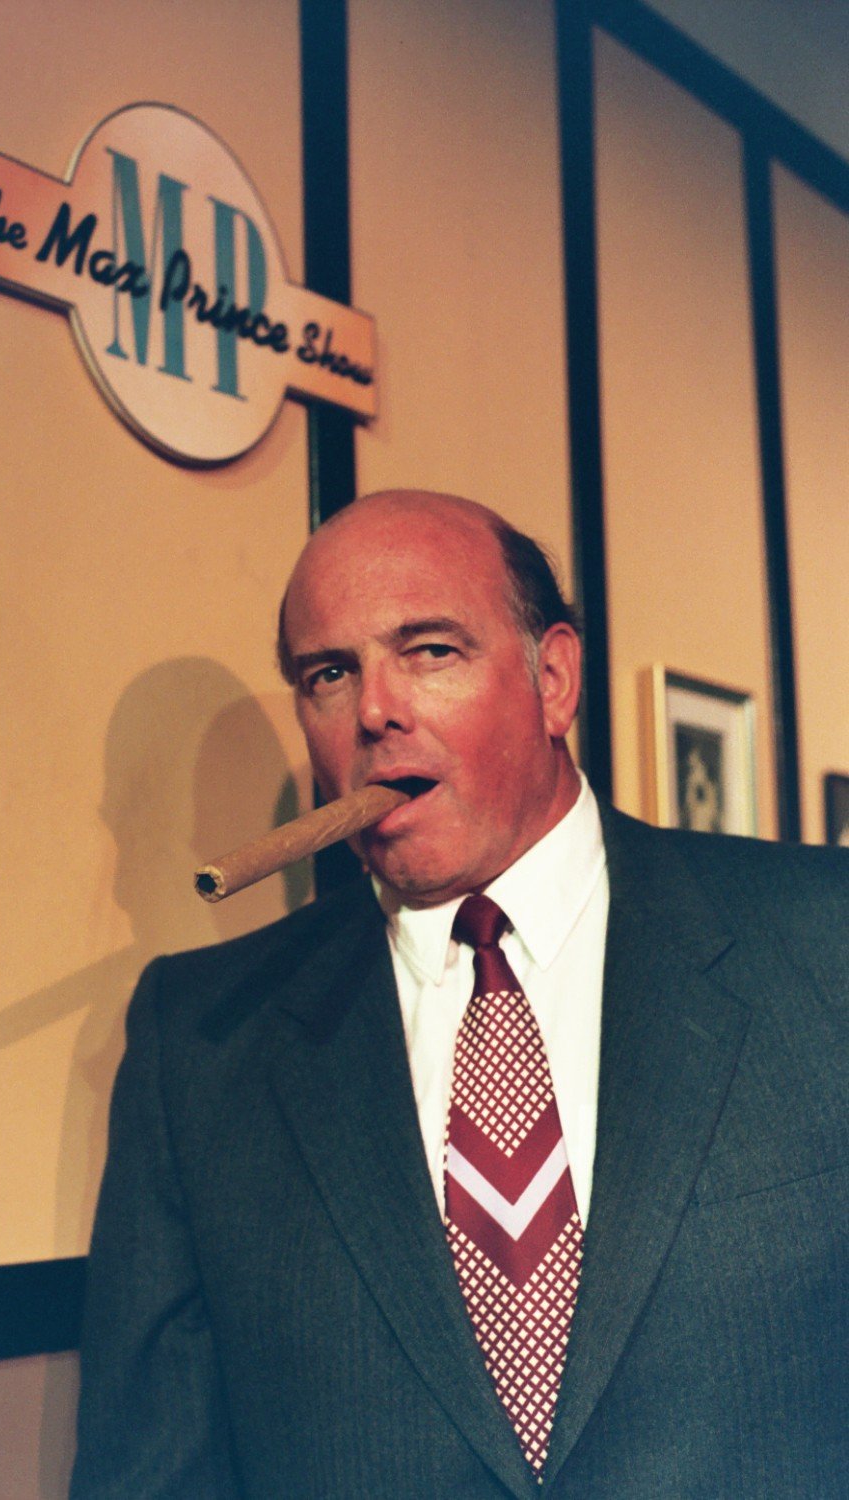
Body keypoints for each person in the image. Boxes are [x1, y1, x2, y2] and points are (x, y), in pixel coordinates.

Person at [71, 490, 847, 1499]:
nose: (374, 709)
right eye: (328, 673)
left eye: (429, 651)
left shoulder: (822, 941)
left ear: (553, 678)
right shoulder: (203, 1038)